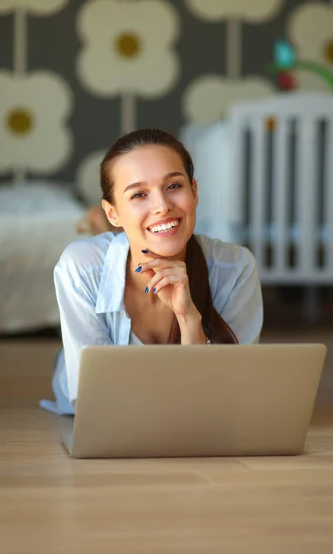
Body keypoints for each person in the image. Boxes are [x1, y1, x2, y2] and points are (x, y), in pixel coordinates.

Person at [40, 128, 263, 415]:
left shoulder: (235, 267)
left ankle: (110, 227)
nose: (162, 206)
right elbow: (92, 399)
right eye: (139, 194)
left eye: (174, 186)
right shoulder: (80, 266)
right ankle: (103, 231)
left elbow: (229, 397)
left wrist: (189, 319)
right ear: (113, 212)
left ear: (194, 191)